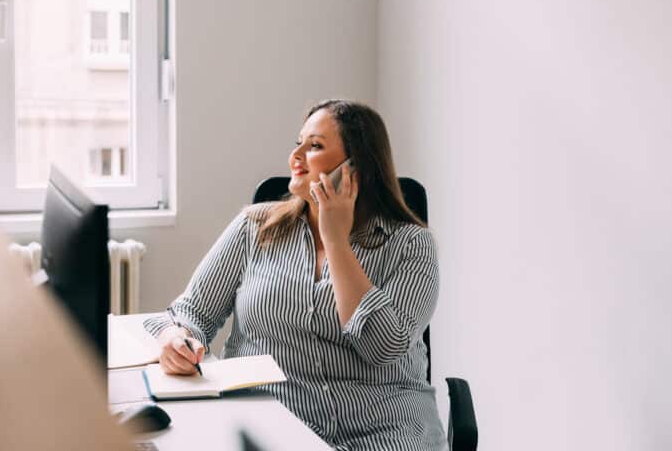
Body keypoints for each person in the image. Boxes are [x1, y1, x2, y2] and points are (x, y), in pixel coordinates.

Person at [144, 100, 447, 450]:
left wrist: (336, 241)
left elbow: (383, 347)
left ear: (356, 169)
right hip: (275, 426)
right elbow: (192, 312)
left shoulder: (412, 245)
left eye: (315, 146)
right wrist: (176, 338)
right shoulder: (254, 227)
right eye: (298, 142)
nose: (296, 156)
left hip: (385, 430)